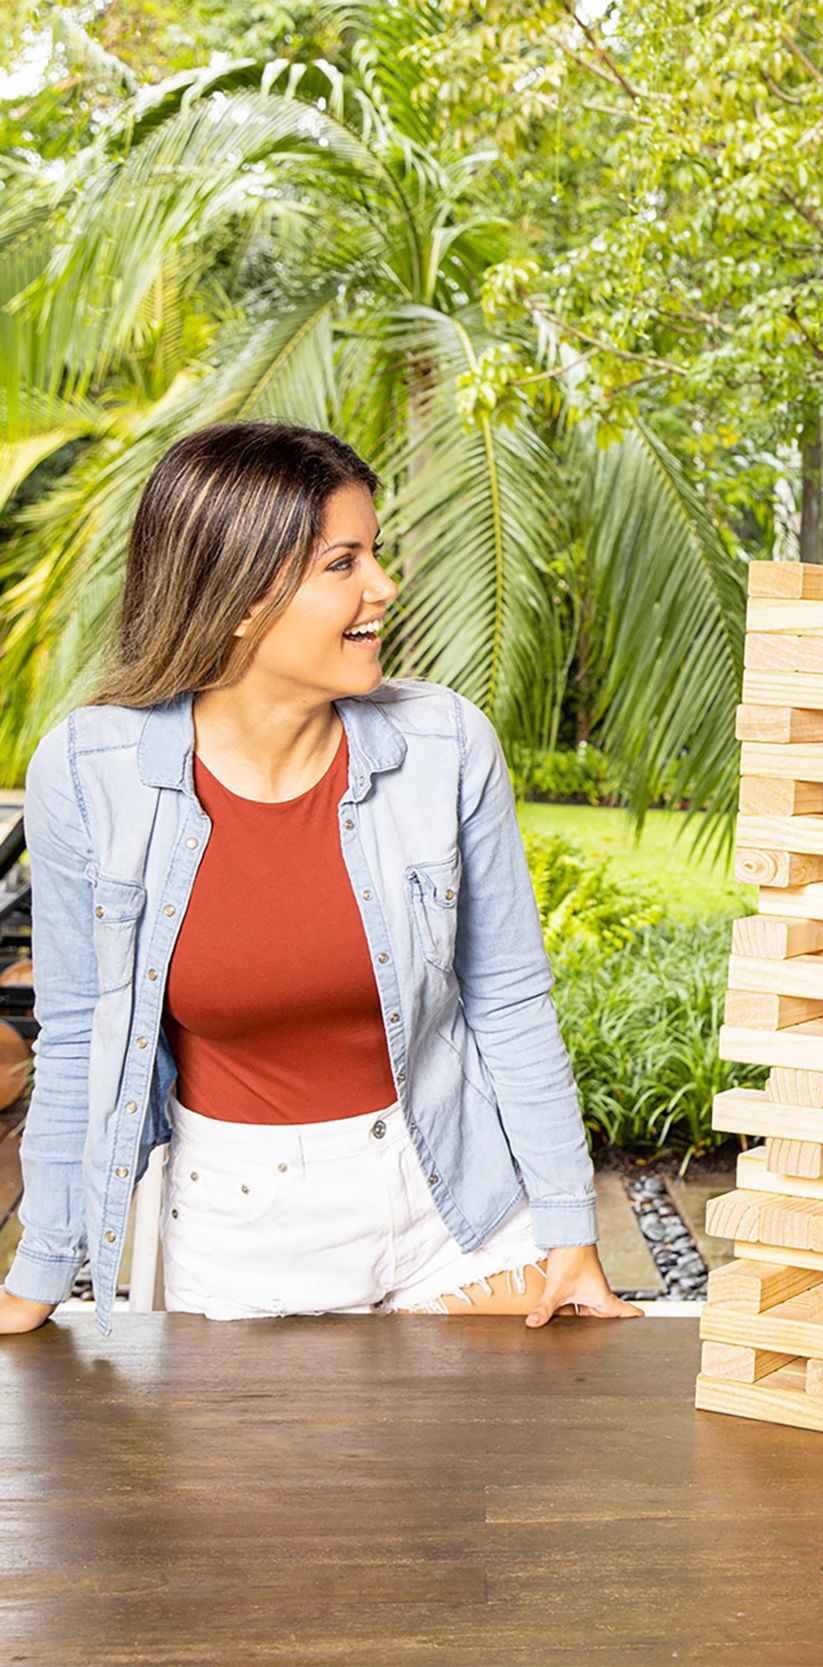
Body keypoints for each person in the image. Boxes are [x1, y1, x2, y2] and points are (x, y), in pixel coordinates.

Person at [0, 422, 637, 1332]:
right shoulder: (88, 773)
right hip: (240, 1233)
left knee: (502, 1467)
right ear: (238, 599)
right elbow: (75, 1044)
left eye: (375, 553)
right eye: (345, 563)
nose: (384, 586)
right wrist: (40, 1273)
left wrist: (570, 1225)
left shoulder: (445, 744)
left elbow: (510, 1002)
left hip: (458, 1210)